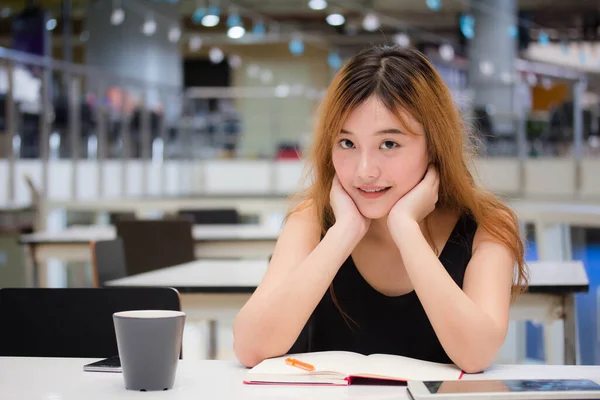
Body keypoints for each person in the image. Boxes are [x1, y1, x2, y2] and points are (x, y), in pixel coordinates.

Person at [233, 45, 528, 374]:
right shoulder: (313, 218)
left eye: (389, 144)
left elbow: (476, 354)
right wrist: (343, 233)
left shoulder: (486, 225)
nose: (364, 170)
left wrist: (406, 230)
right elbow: (250, 347)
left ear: (434, 147)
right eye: (347, 143)